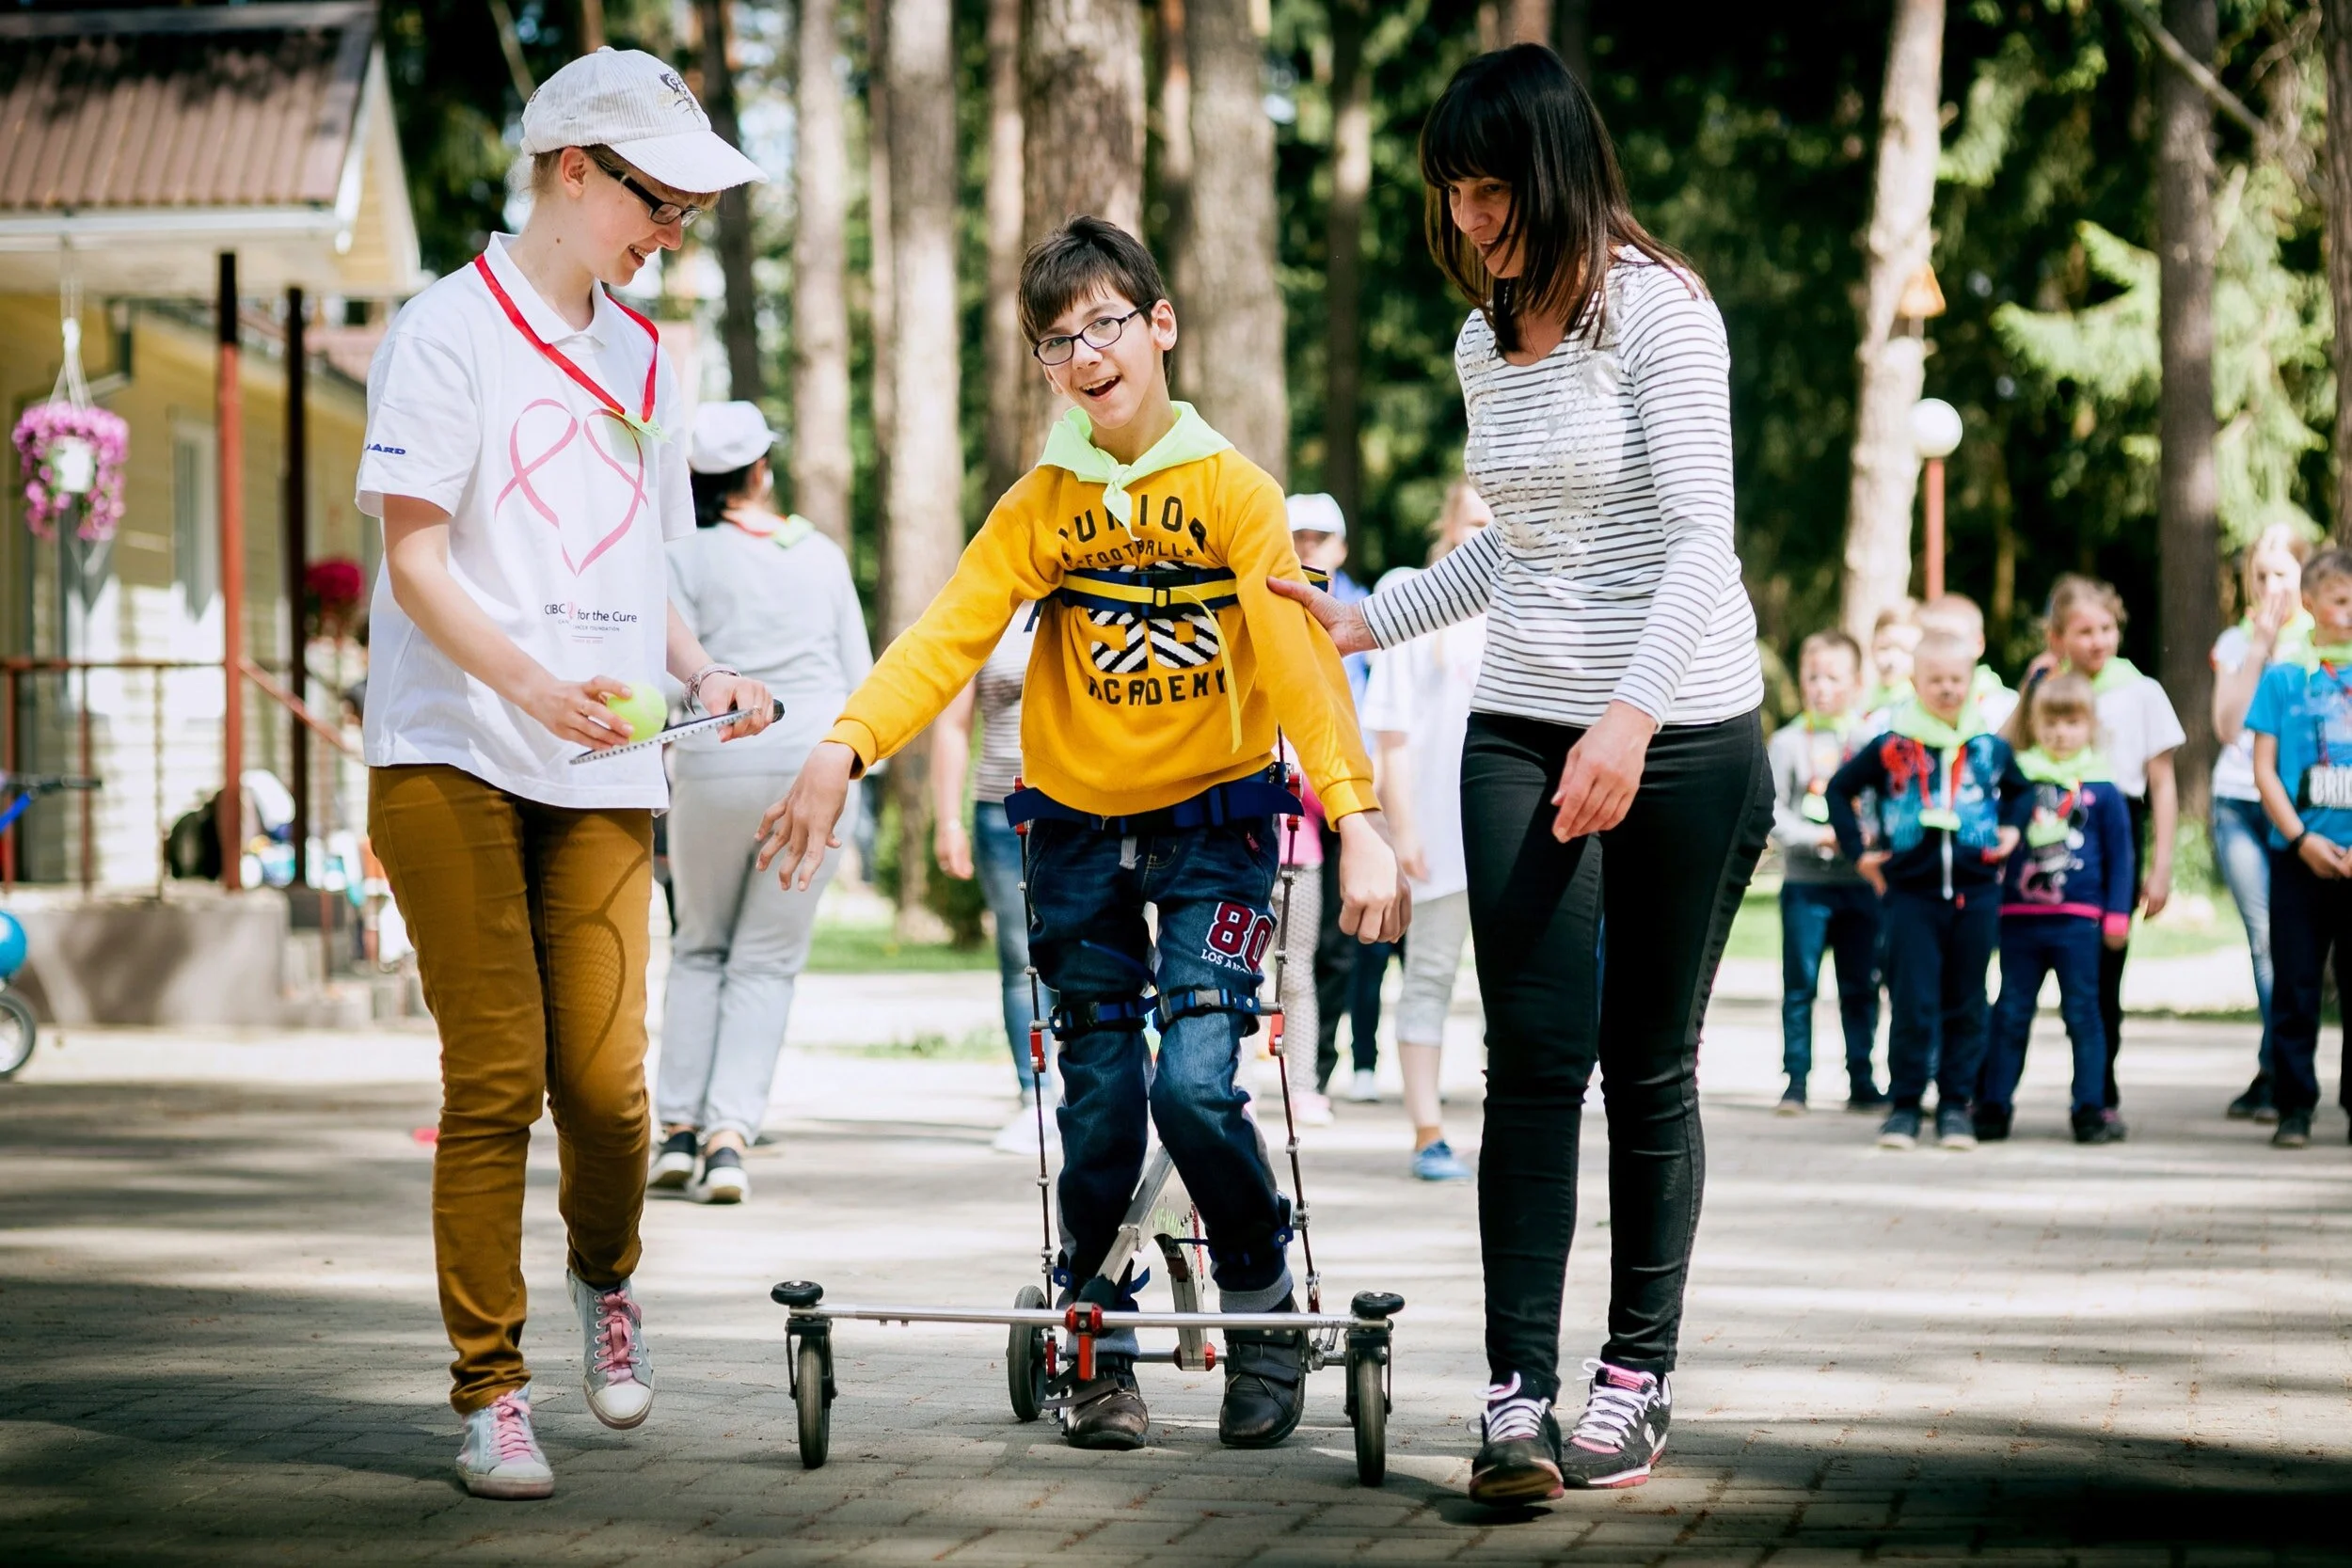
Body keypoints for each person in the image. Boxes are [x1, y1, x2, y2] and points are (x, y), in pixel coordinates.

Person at [756, 216, 1406, 1453]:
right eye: (1058, 341)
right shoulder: (1040, 504)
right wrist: (843, 746)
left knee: (1196, 1081)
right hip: (1074, 836)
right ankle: (1096, 1328)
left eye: (1106, 324)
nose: (1086, 354)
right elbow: (947, 636)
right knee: (1103, 1099)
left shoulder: (1234, 492)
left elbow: (1298, 662)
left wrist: (1359, 816)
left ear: (1160, 326)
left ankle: (1263, 1288)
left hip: (1217, 826)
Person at [1276, 44, 1772, 1502]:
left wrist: (1629, 718)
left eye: (1489, 190)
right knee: (1533, 1062)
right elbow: (1529, 542)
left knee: (1650, 1060)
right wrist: (1377, 615)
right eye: (1455, 194)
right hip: (1522, 725)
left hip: (1682, 728)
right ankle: (1512, 1397)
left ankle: (1636, 1372)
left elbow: (1699, 540)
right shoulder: (1488, 339)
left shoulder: (1662, 317)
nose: (1473, 220)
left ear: (1550, 171)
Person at [355, 48, 773, 1500]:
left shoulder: (648, 354)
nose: (672, 233)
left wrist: (701, 666)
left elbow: (637, 553)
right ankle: (491, 1386)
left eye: (690, 212)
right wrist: (529, 682)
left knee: (606, 1091)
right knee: (500, 1078)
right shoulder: (442, 332)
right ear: (575, 169)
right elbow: (414, 559)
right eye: (659, 201)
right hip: (454, 749)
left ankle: (609, 1274)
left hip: (608, 760)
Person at [652, 402, 871, 1203]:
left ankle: (675, 1127)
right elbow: (860, 672)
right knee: (767, 959)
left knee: (700, 944)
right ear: (763, 470)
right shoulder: (817, 551)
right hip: (810, 762)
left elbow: (664, 665)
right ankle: (727, 1139)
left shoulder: (679, 552)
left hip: (712, 758)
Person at [1826, 634, 2027, 1154]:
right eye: (1935, 679)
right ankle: (1906, 1105)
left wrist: (2013, 830)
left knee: (1966, 1001)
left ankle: (1957, 1105)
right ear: (1915, 682)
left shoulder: (1988, 745)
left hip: (1975, 893)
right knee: (1913, 1001)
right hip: (1910, 896)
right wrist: (1859, 852)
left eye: (1956, 680)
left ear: (1972, 682)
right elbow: (1838, 788)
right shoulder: (1893, 744)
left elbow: (2023, 792)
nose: (1946, 689)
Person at [1359, 481, 1492, 1180]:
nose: (1484, 532)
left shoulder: (1526, 596)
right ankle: (1427, 1131)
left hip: (1508, 838)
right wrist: (1399, 827)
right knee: (1429, 978)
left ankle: (1513, 1126)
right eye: (1473, 520)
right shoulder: (1414, 592)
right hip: (1437, 833)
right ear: (1447, 523)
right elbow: (1392, 735)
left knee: (1512, 986)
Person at [2033, 575, 2182, 1139]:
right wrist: (2037, 682)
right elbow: (2003, 749)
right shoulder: (2051, 689)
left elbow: (2162, 783)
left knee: (2103, 975)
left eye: (2106, 628)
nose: (2097, 640)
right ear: (2059, 636)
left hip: (2116, 831)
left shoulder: (2141, 691)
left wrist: (2159, 867)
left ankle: (2099, 1094)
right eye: (2082, 631)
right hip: (2055, 831)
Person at [1972, 672, 2134, 1144]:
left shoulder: (2103, 788)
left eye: (2072, 723)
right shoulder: (2018, 781)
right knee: (2011, 1014)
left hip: (2079, 923)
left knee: (2084, 1014)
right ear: (2035, 725)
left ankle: (2090, 1108)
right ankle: (1994, 1105)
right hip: (2020, 922)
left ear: (2090, 726)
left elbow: (2122, 856)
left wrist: (2117, 915)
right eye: (2051, 724)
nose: (2062, 733)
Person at [931, 609, 1062, 1154]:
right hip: (1001, 812)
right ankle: (1034, 1097)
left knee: (1097, 951)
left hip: (1081, 810)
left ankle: (1102, 1093)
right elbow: (953, 724)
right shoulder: (988, 613)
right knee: (1021, 957)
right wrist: (948, 820)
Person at [2246, 546, 2352, 1149]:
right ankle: (2294, 1104)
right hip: (2299, 857)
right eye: (2340, 601)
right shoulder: (2286, 677)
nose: (2350, 612)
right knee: (2296, 983)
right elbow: (2264, 770)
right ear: (2309, 605)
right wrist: (2301, 838)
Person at [1291, 493, 1392, 1102]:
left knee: (1344, 941)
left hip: (1353, 793)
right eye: (1299, 536)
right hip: (1297, 801)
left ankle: (1335, 1064)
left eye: (1319, 538)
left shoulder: (1370, 610)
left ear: (1341, 546)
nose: (1309, 547)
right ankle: (1315, 1067)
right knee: (1311, 943)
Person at [2210, 526, 2312, 1122]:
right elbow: (2227, 727)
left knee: (2291, 943)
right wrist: (2258, 647)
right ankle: (2276, 1071)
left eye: (2283, 574)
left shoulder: (2323, 644)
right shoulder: (2233, 641)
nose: (2272, 586)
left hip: (2293, 808)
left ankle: (2282, 1069)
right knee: (2264, 941)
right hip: (2237, 805)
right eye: (2262, 576)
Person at [1767, 629, 1883, 1115]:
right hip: (1806, 885)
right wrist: (1818, 837)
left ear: (1856, 684)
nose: (1822, 687)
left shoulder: (1873, 743)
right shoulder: (1789, 741)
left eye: (1834, 677)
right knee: (1800, 986)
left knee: (1861, 986)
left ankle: (1862, 1077)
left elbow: (1883, 806)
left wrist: (1865, 837)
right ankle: (1796, 1081)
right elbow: (1771, 811)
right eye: (1813, 677)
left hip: (1860, 885)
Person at [1916, 592, 2016, 730]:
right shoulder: (1899, 713)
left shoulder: (2005, 708)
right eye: (1933, 640)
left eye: (1954, 640)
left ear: (1979, 643)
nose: (1943, 650)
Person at [1864, 600, 1921, 721]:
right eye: (1884, 648)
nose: (1892, 661)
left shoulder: (1919, 703)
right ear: (1871, 647)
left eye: (1905, 651)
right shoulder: (1863, 698)